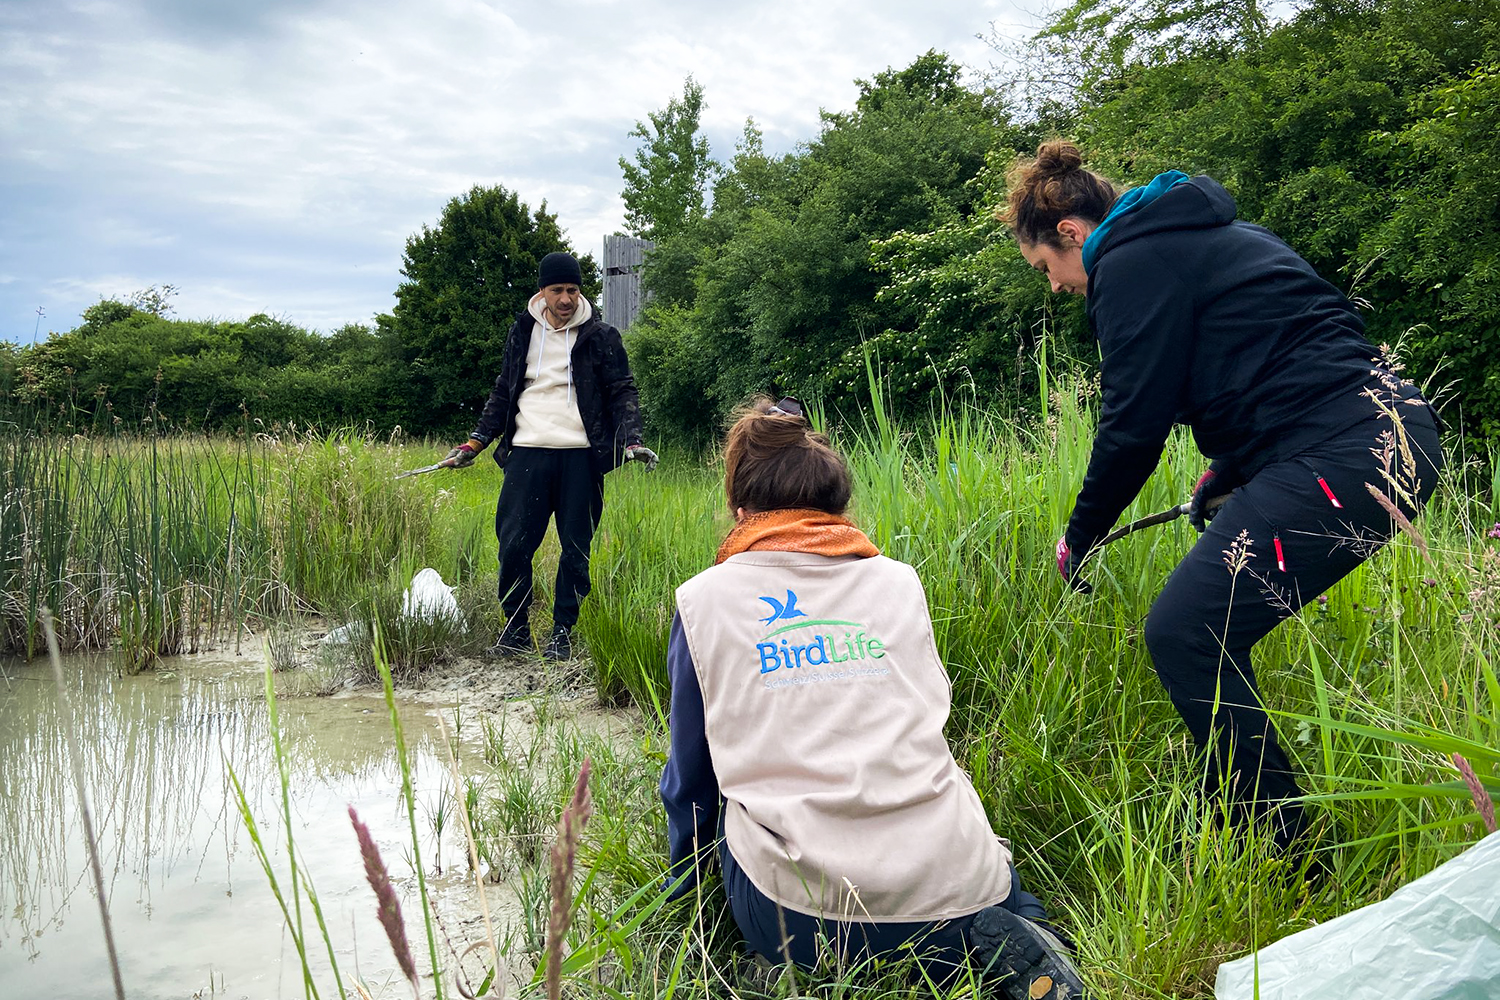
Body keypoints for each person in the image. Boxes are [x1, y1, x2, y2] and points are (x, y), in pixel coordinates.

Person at [1002, 140, 1444, 856]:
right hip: (1390, 432)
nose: (1053, 286)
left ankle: (1281, 852)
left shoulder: (1130, 263)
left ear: (1072, 235)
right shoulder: (1215, 235)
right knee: (1202, 632)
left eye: (1045, 268)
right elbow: (1278, 358)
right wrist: (1232, 467)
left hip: (1344, 447)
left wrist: (1080, 534)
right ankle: (1243, 825)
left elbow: (1133, 424)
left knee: (1184, 634)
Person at [659, 398, 1088, 1000]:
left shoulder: (704, 602)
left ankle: (793, 967)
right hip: (958, 882)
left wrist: (688, 892)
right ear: (838, 508)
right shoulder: (898, 582)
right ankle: (1018, 928)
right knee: (975, 854)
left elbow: (690, 779)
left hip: (804, 914)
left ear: (740, 510)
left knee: (738, 805)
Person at [439, 251, 658, 661]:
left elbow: (622, 391)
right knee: (514, 546)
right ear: (541, 291)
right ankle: (516, 630)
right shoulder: (522, 330)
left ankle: (562, 633)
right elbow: (504, 389)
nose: (566, 299)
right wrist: (475, 442)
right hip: (526, 455)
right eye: (557, 290)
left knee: (576, 549)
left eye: (572, 290)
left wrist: (631, 441)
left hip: (581, 458)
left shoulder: (601, 336)